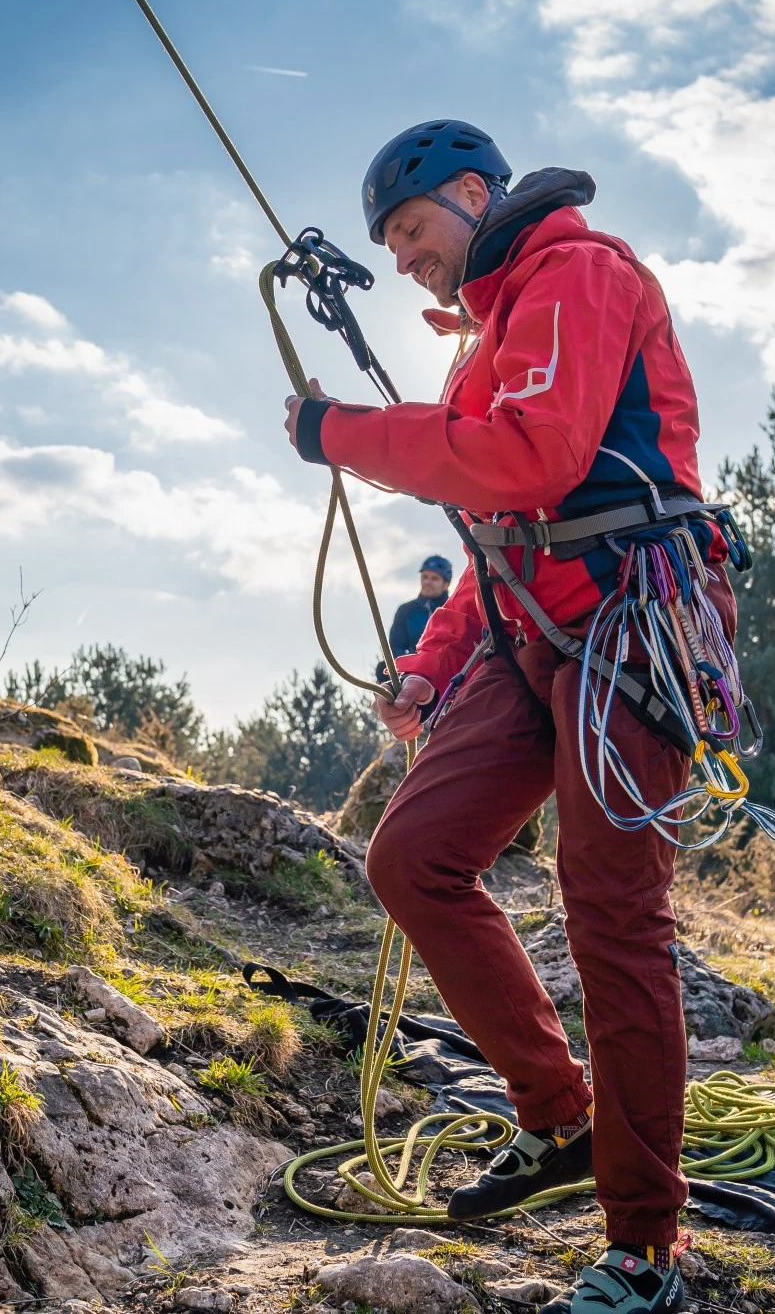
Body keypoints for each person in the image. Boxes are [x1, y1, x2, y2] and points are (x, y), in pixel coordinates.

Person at [282, 119, 734, 1313]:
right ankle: (558, 1115)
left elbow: (530, 461)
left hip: (628, 634)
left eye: (414, 231)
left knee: (612, 927)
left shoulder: (582, 277)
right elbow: (499, 541)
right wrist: (430, 669)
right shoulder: (490, 331)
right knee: (413, 857)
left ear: (477, 195)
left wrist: (343, 436)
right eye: (389, 244)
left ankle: (647, 1249)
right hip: (537, 634)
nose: (404, 260)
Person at [389, 555, 453, 660]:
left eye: (434, 579)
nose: (427, 582)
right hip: (413, 671)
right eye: (425, 577)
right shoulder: (406, 611)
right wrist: (410, 667)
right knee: (381, 668)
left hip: (450, 668)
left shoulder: (454, 610)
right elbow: (396, 646)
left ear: (446, 584)